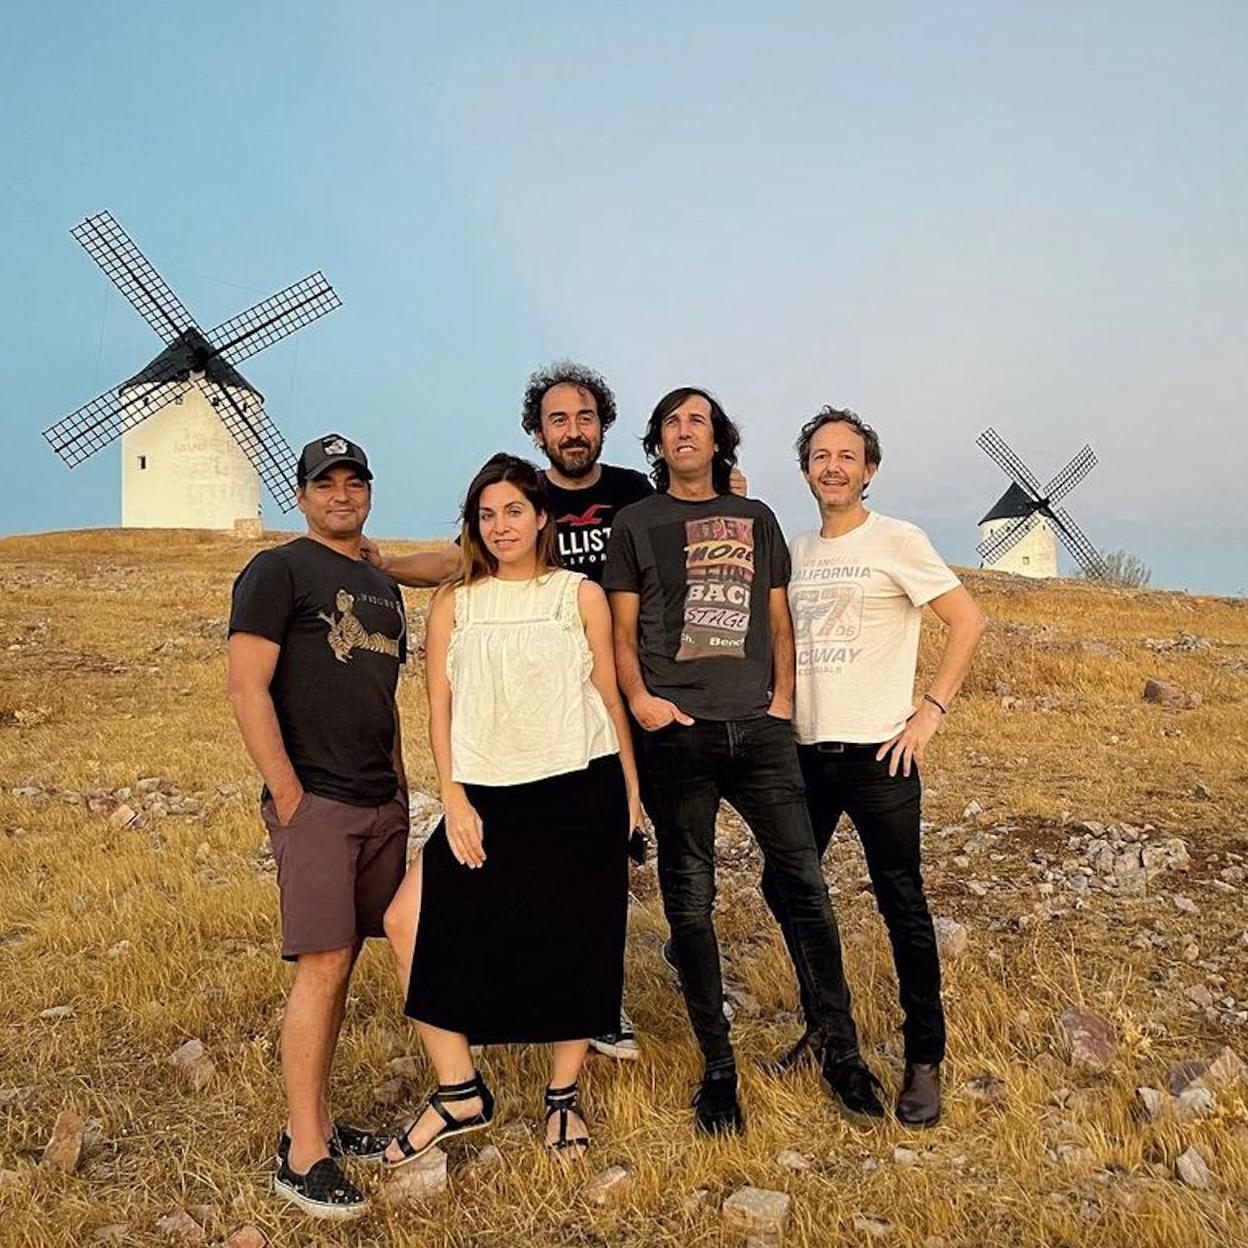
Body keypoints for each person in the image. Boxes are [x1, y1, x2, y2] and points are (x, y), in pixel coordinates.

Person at [368, 360, 746, 1061]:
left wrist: (729, 494)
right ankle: (572, 1001)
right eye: (557, 419)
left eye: (584, 417)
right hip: (552, 706)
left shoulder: (634, 492)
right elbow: (457, 561)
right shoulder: (522, 497)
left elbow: (695, 521)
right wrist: (382, 564)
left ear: (602, 426)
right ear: (538, 432)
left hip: (638, 690)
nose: (572, 430)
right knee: (561, 872)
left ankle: (669, 965)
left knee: (656, 849)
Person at [603, 387, 882, 1135]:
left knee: (805, 888)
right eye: (671, 422)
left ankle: (843, 1052)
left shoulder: (757, 519)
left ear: (718, 439)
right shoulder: (636, 523)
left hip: (760, 734)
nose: (684, 431)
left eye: (697, 420)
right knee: (690, 903)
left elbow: (779, 618)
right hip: (677, 737)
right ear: (658, 443)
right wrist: (643, 701)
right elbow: (622, 633)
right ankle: (718, 1070)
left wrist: (782, 700)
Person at [381, 453, 640, 1162]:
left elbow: (608, 696)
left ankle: (563, 1095)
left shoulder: (577, 595)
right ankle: (459, 1090)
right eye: (487, 514)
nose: (501, 526)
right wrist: (454, 797)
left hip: (578, 783)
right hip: (485, 794)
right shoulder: (454, 602)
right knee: (405, 920)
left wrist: (632, 793)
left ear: (541, 518)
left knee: (576, 938)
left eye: (515, 511)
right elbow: (438, 708)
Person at [762, 406, 986, 1127]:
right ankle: (829, 1028)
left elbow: (968, 620)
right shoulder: (795, 551)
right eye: (820, 457)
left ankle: (924, 1057)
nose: (833, 467)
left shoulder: (899, 540)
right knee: (783, 887)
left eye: (846, 456)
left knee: (901, 903)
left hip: (880, 754)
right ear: (806, 471)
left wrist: (931, 712)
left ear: (869, 470)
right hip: (806, 753)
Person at [227, 434, 409, 1219]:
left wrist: (401, 790)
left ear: (369, 491)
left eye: (353, 482)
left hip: (380, 803)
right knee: (323, 965)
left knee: (346, 963)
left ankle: (323, 1124)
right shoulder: (278, 570)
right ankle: (302, 1153)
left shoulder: (382, 586)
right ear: (300, 495)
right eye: (325, 483)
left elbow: (380, 695)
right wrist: (290, 798)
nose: (341, 494)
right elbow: (246, 687)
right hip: (319, 805)